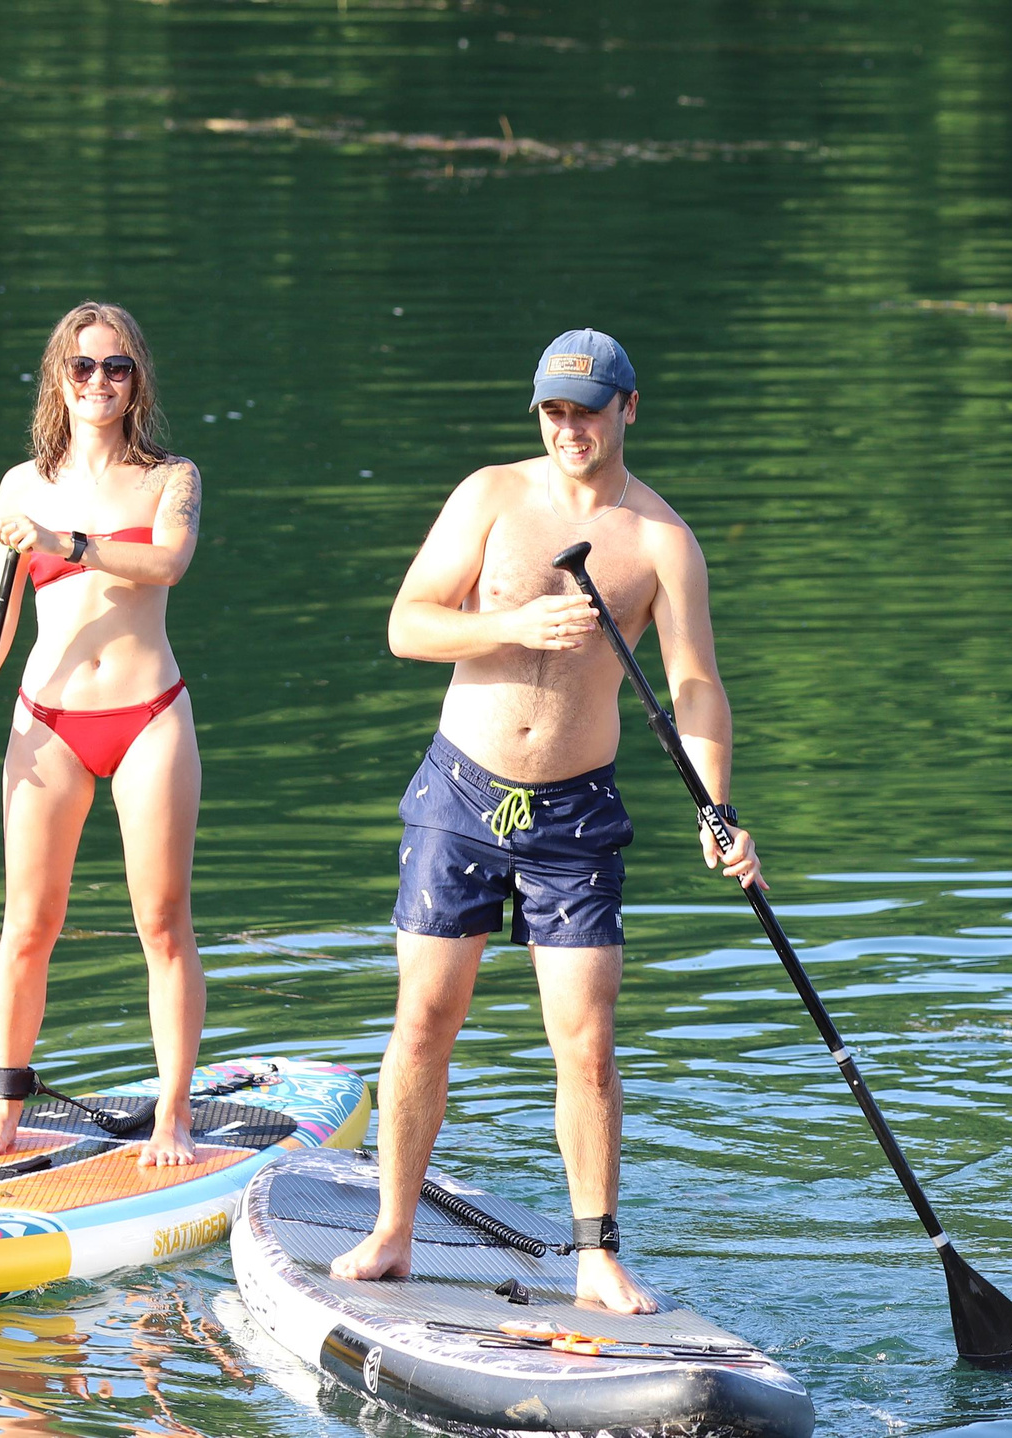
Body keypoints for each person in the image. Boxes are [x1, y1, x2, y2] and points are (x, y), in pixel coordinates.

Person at [329, 329, 763, 1313]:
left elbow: (693, 685)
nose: (569, 428)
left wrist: (717, 807)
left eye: (588, 409)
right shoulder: (491, 496)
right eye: (553, 411)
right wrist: (511, 626)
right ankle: (392, 1231)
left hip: (576, 814)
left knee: (589, 1042)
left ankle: (596, 1254)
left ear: (628, 410)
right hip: (461, 799)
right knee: (424, 1020)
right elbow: (407, 624)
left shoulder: (660, 541)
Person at [0, 301, 206, 1164]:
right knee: (28, 924)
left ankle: (172, 1118)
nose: (100, 381)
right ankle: (5, 1112)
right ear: (60, 377)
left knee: (161, 921)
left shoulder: (171, 477)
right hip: (45, 719)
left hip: (149, 718)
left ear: (138, 380)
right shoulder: (21, 486)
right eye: (84, 366)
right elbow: (0, 601)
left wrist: (69, 540)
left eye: (118, 366)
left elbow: (168, 562)